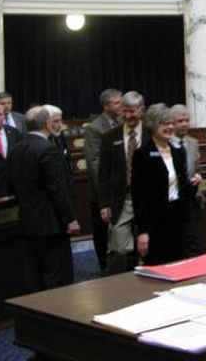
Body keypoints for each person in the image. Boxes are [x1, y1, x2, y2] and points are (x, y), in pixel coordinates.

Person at [6, 106, 79, 292]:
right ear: (47, 123)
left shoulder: (15, 149)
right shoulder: (48, 150)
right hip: (51, 223)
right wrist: (70, 219)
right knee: (56, 274)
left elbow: (11, 185)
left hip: (27, 221)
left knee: (34, 273)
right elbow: (58, 190)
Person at [131, 104, 201, 265]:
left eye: (171, 123)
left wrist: (194, 184)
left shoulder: (177, 153)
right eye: (164, 124)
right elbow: (138, 196)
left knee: (178, 265)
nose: (170, 127)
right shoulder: (142, 154)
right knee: (158, 268)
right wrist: (143, 231)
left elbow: (183, 190)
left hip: (177, 218)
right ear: (153, 125)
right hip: (154, 221)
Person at [99, 90, 146, 274]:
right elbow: (103, 173)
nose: (127, 116)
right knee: (119, 248)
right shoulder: (110, 137)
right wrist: (104, 203)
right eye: (124, 111)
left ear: (142, 110)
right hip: (122, 198)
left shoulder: (152, 134)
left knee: (147, 244)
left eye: (132, 111)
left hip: (147, 198)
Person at [83, 88, 121, 274]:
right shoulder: (94, 128)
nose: (122, 106)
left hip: (120, 188)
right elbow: (94, 163)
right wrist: (104, 196)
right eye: (117, 103)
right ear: (106, 106)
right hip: (102, 191)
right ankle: (103, 268)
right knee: (101, 233)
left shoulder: (122, 122)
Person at [171, 104, 204, 257]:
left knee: (193, 243)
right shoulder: (166, 143)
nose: (184, 124)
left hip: (192, 199)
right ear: (171, 123)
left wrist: (197, 178)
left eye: (186, 120)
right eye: (180, 121)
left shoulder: (193, 143)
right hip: (173, 201)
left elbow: (197, 169)